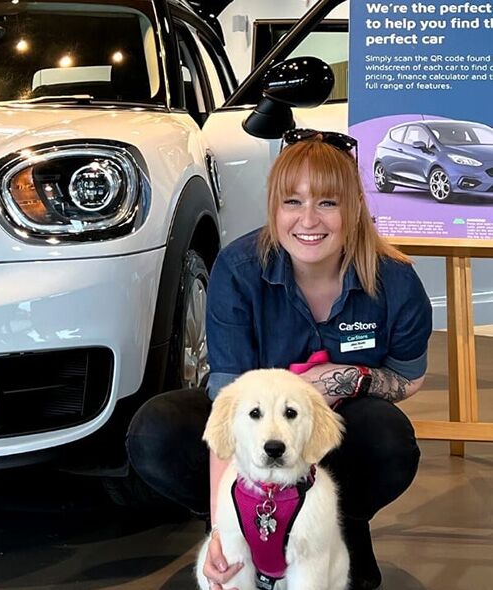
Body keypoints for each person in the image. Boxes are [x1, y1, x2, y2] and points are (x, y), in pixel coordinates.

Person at [126, 129, 432, 590]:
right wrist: (223, 535)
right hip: (255, 429)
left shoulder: (396, 279)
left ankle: (339, 528)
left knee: (388, 438)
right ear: (274, 207)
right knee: (157, 430)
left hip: (337, 430)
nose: (308, 219)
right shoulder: (238, 269)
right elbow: (227, 401)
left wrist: (350, 380)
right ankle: (250, 528)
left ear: (353, 209)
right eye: (292, 202)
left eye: (328, 203)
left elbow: (408, 378)